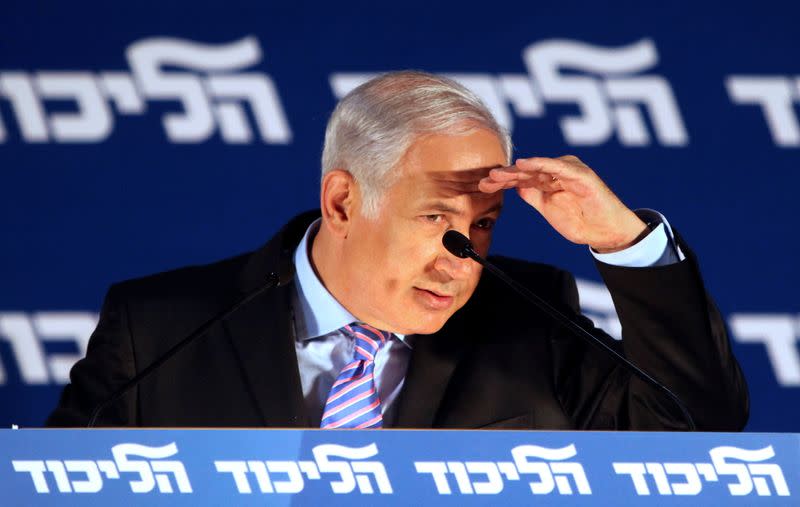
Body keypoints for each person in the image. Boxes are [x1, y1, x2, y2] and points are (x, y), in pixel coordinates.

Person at [47, 71, 748, 430]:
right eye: (437, 215)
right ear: (344, 202)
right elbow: (53, 489)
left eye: (484, 225)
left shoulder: (530, 323)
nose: (463, 258)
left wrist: (620, 240)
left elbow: (697, 427)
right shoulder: (160, 329)